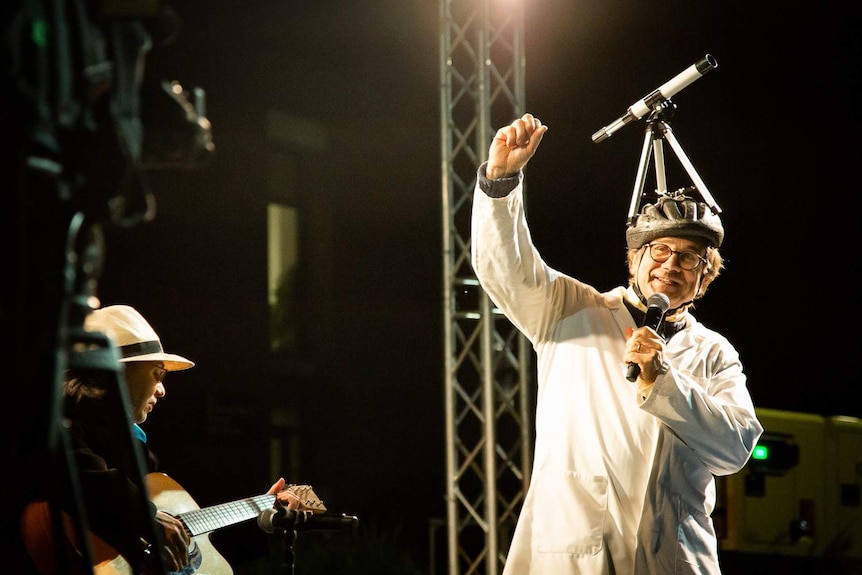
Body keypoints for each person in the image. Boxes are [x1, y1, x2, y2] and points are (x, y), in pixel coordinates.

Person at [471, 113, 764, 575]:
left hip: (674, 558)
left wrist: (662, 380)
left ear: (706, 279)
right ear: (633, 259)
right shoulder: (567, 310)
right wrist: (501, 183)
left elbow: (735, 448)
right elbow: (506, 268)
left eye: (690, 259)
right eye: (660, 251)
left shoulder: (714, 353)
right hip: (575, 554)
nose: (671, 266)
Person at [19, 304, 302, 575]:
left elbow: (194, 545)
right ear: (117, 374)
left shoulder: (135, 447)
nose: (163, 390)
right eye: (157, 375)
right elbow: (76, 475)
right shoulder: (54, 425)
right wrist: (146, 518)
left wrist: (265, 513)